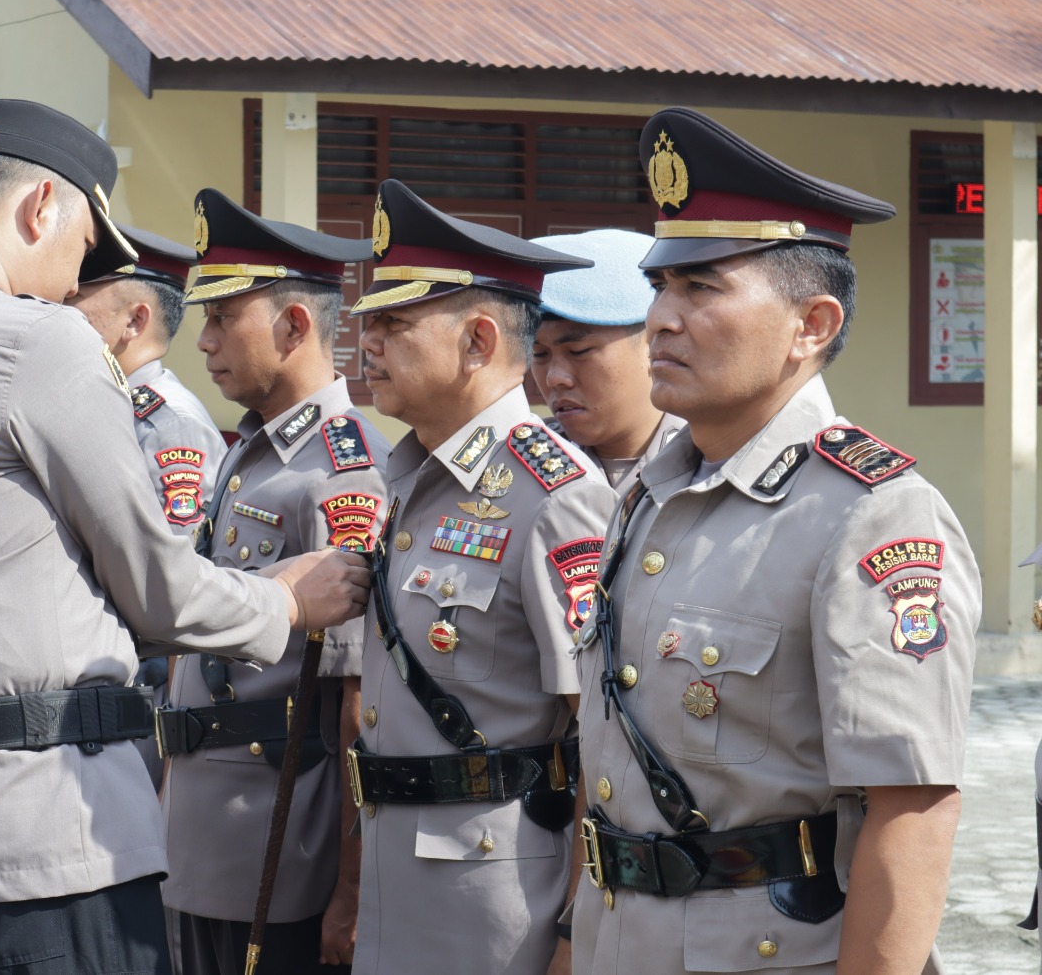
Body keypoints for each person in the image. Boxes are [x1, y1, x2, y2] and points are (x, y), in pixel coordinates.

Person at [0, 99, 369, 975]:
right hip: (48, 833)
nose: (77, 281)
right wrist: (284, 599)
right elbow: (158, 589)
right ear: (41, 208)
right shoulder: (37, 343)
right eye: (81, 246)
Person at [571, 107, 976, 975]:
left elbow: (911, 804)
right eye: (660, 289)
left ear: (812, 325)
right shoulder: (649, 492)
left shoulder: (869, 515)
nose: (661, 321)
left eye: (702, 288)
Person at [347, 179, 617, 974]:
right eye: (369, 325)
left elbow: (597, 740)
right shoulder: (408, 476)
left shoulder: (553, 494)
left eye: (393, 325)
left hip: (497, 897)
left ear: (477, 342)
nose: (367, 345)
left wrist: (574, 930)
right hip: (398, 872)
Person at [158, 189, 389, 975]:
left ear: (294, 328)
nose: (204, 342)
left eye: (225, 318)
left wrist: (351, 892)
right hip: (201, 833)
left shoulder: (341, 475)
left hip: (279, 850)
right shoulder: (245, 451)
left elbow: (358, 706)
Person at [67, 224, 224, 792]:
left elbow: (176, 575)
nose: (63, 311)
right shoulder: (108, 406)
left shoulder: (166, 421)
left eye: (80, 301)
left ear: (134, 320)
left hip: (146, 692)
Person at [529, 229, 685, 496]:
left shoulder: (707, 464)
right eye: (539, 355)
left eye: (579, 351)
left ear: (653, 346)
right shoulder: (521, 469)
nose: (554, 378)